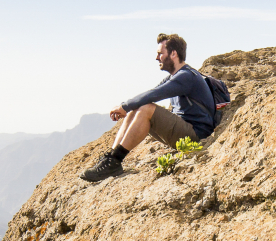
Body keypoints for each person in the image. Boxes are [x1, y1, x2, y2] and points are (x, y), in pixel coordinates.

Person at [81, 33, 216, 182]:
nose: (157, 58)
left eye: (160, 53)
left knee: (146, 108)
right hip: (185, 130)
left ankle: (115, 160)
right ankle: (111, 159)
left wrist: (124, 106)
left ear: (173, 54)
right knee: (138, 106)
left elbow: (155, 94)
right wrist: (128, 107)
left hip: (196, 135)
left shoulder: (186, 76)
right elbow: (149, 94)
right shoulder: (176, 76)